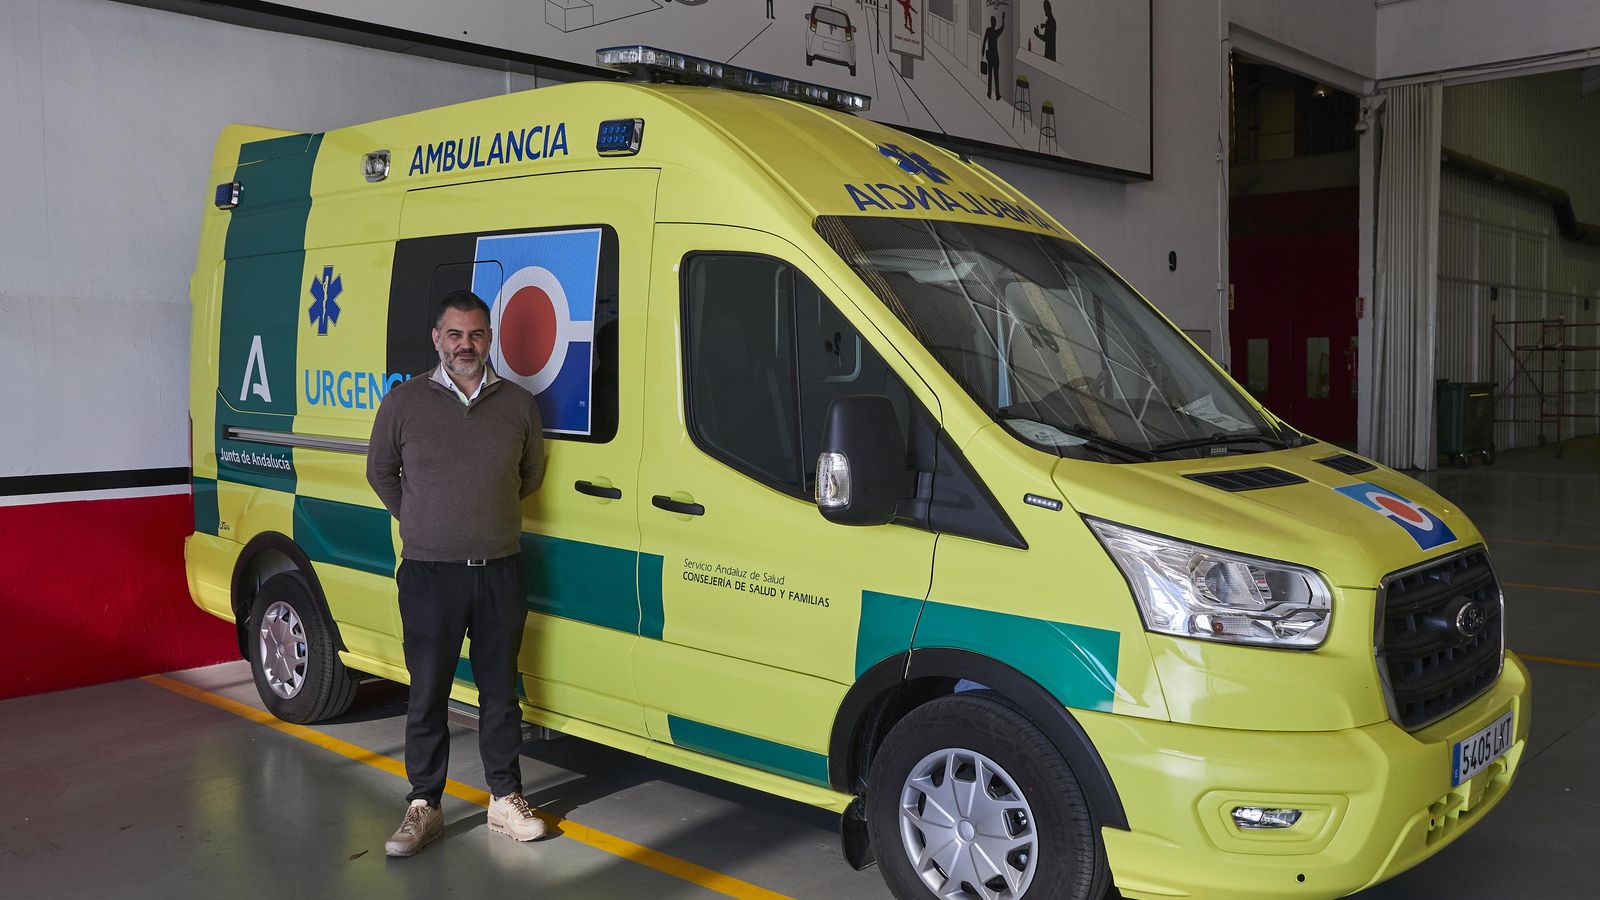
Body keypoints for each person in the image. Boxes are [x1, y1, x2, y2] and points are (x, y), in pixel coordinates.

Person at [367, 289, 547, 857]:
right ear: (436, 339)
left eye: (475, 334)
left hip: (499, 571)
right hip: (428, 574)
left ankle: (504, 799)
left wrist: (477, 521)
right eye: (454, 334)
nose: (464, 345)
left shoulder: (518, 404)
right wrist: (423, 519)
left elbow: (530, 474)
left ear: (489, 339)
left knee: (500, 693)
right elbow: (380, 473)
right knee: (427, 694)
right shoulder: (403, 403)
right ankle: (424, 805)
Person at [983, 13, 1006, 99]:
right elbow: (1002, 28)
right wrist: (1003, 19)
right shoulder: (995, 32)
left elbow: (984, 41)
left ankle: (989, 93)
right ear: (995, 23)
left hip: (989, 56)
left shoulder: (988, 30)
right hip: (995, 56)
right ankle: (997, 94)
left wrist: (982, 52)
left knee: (990, 75)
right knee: (996, 76)